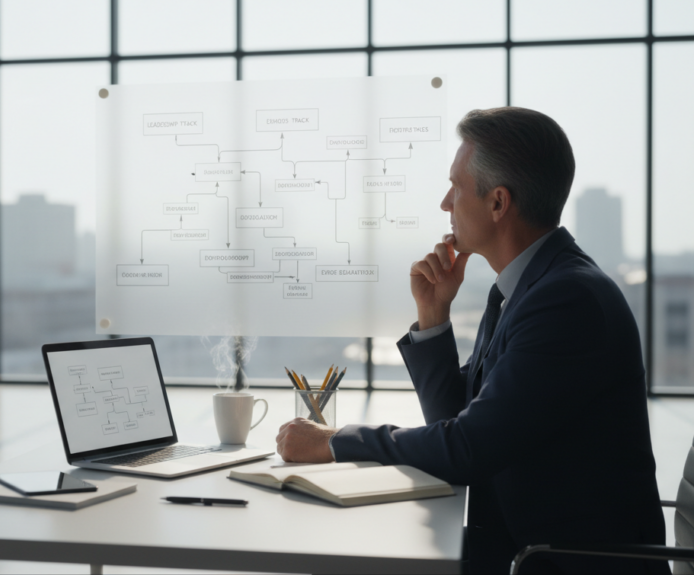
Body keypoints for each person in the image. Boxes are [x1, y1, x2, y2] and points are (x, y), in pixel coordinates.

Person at [275, 107, 667, 573]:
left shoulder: (565, 299)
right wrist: (433, 314)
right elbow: (459, 422)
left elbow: (466, 449)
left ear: (498, 203)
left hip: (555, 561)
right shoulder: (526, 287)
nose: (445, 203)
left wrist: (335, 441)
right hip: (516, 545)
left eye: (456, 187)